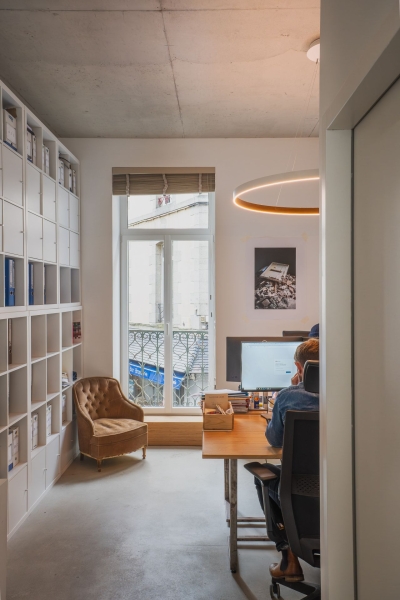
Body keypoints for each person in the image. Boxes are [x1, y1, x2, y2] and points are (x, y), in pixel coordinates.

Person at [254, 338, 319, 582]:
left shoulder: (289, 396)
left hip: (300, 488)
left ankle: (289, 559)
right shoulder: (349, 393)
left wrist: (292, 390)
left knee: (265, 475)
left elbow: (274, 440)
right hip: (345, 486)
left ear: (299, 367)